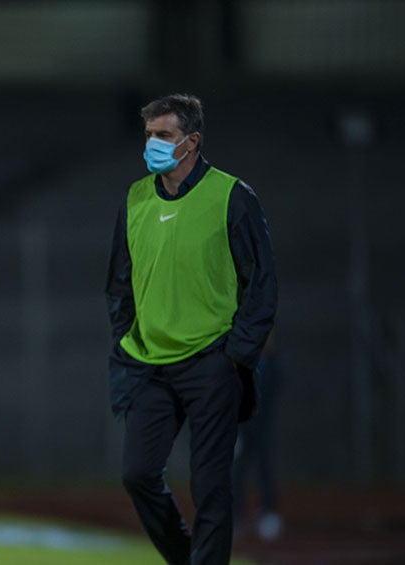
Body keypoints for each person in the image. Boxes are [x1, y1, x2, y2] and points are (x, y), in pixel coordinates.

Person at [105, 93, 277, 564]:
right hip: (149, 366)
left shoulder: (231, 195)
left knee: (210, 487)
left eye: (164, 135)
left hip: (211, 363)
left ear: (192, 141)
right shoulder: (136, 197)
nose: (153, 145)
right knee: (137, 474)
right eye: (149, 136)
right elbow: (119, 283)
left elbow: (261, 284)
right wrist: (128, 336)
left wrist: (235, 354)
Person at [232, 330, 282, 541]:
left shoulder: (275, 365)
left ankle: (268, 514)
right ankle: (237, 517)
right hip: (242, 428)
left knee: (265, 469)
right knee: (237, 471)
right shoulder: (242, 364)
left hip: (263, 429)